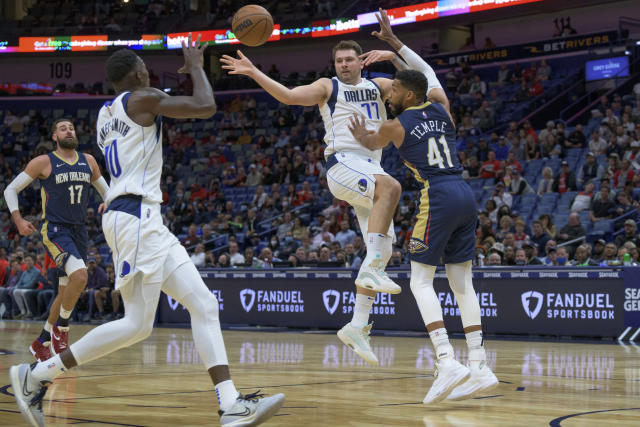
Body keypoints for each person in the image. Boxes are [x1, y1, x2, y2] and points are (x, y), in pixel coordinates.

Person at [10, 34, 284, 427]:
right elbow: (205, 106)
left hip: (138, 216)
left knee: (199, 306)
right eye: (145, 67)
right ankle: (36, 374)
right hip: (136, 216)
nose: (149, 70)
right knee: (137, 324)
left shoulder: (106, 113)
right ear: (137, 72)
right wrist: (194, 68)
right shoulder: (140, 98)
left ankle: (230, 405)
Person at [221, 9, 435, 365]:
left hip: (370, 169)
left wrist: (393, 54)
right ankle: (370, 272)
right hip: (342, 165)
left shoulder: (379, 86)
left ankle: (357, 325)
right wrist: (254, 71)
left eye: (350, 59)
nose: (344, 65)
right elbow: (290, 96)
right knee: (393, 188)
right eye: (339, 60)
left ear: (360, 62)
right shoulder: (327, 87)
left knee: (381, 250)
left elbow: (420, 85)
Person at [348, 41, 498, 404]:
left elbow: (369, 139)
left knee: (420, 281)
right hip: (465, 192)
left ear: (409, 94)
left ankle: (446, 359)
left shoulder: (395, 125)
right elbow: (429, 74)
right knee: (463, 283)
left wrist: (357, 133)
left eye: (395, 89)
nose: (390, 93)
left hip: (439, 195)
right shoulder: (443, 110)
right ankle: (478, 364)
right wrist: (397, 48)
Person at [3, 118, 109, 362]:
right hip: (55, 230)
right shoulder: (44, 162)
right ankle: (62, 328)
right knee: (81, 276)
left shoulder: (89, 161)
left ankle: (41, 342)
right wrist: (18, 220)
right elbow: (10, 189)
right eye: (62, 128)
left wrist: (109, 200)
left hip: (79, 231)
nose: (69, 131)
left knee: (65, 293)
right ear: (54, 137)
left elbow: (107, 191)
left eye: (71, 127)